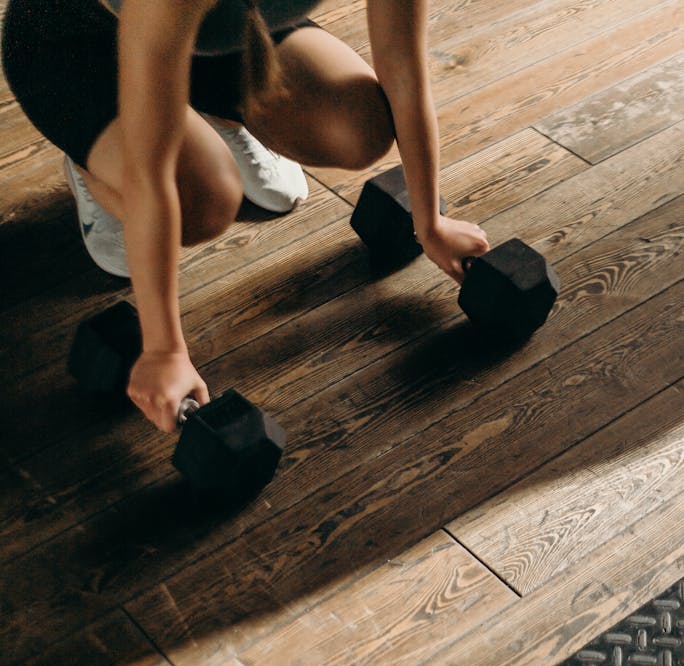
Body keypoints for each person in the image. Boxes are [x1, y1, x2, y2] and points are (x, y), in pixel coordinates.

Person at [2, 0, 489, 433]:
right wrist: (164, 351)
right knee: (200, 203)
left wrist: (430, 222)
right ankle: (92, 163)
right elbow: (152, 176)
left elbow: (402, 71)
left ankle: (223, 118)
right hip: (82, 47)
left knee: (357, 127)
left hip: (225, 33)